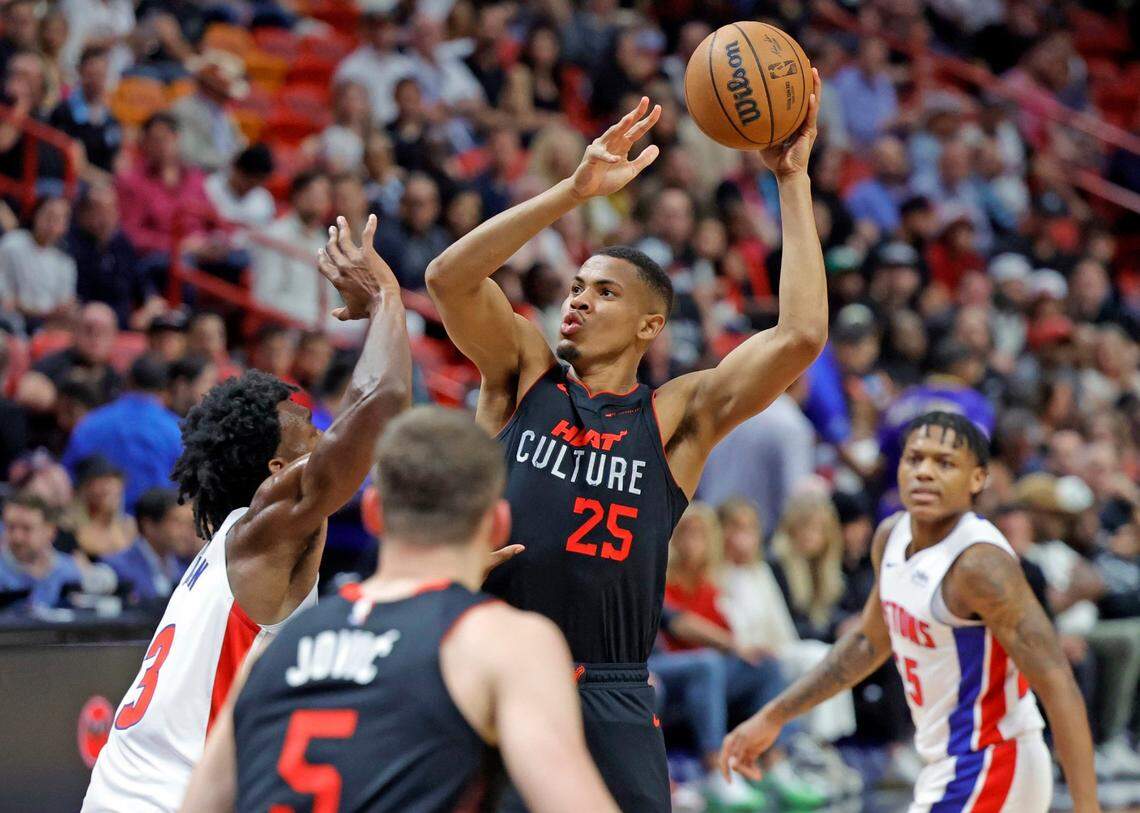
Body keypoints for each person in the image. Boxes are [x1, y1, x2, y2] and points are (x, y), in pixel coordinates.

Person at [426, 77, 827, 812]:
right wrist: (571, 193)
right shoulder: (524, 374)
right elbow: (448, 278)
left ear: (650, 326)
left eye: (605, 292)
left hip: (611, 686)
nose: (579, 299)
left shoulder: (674, 417)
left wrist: (791, 181)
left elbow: (799, 336)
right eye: (577, 286)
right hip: (497, 668)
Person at [82, 215, 412, 813]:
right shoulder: (268, 526)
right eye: (308, 433)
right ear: (276, 471)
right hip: (169, 797)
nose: (323, 439)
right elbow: (381, 403)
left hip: (121, 788)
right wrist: (388, 296)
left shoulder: (241, 544)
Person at [180, 407, 619, 813]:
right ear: (497, 523)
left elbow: (198, 806)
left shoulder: (270, 653)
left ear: (373, 514)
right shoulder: (501, 641)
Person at [720, 412, 1101, 813]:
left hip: (993, 762)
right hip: (947, 764)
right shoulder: (892, 535)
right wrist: (773, 716)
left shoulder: (980, 565)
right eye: (915, 458)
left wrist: (1087, 807)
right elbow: (868, 642)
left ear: (977, 479)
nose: (924, 472)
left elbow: (1058, 682)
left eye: (945, 463)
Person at [62, 353, 182, 509]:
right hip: (158, 524)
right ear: (166, 389)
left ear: (128, 381)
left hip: (99, 521)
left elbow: (68, 478)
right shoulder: (178, 431)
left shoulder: (91, 423)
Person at [102, 487, 199, 605]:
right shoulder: (117, 569)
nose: (186, 531)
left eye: (189, 523)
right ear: (149, 526)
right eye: (177, 522)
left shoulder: (188, 567)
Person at [0, 491, 81, 613]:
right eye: (11, 527)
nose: (17, 537)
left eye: (26, 528)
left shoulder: (70, 571)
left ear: (50, 531)